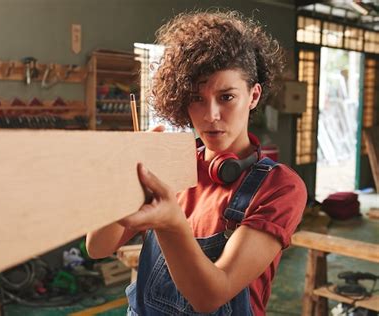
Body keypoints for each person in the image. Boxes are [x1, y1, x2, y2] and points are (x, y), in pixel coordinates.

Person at [86, 10, 307, 315]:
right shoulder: (170, 164)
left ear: (253, 95)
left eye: (226, 97)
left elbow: (210, 297)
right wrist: (127, 176)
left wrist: (169, 223)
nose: (210, 115)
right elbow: (97, 248)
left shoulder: (281, 187)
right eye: (197, 98)